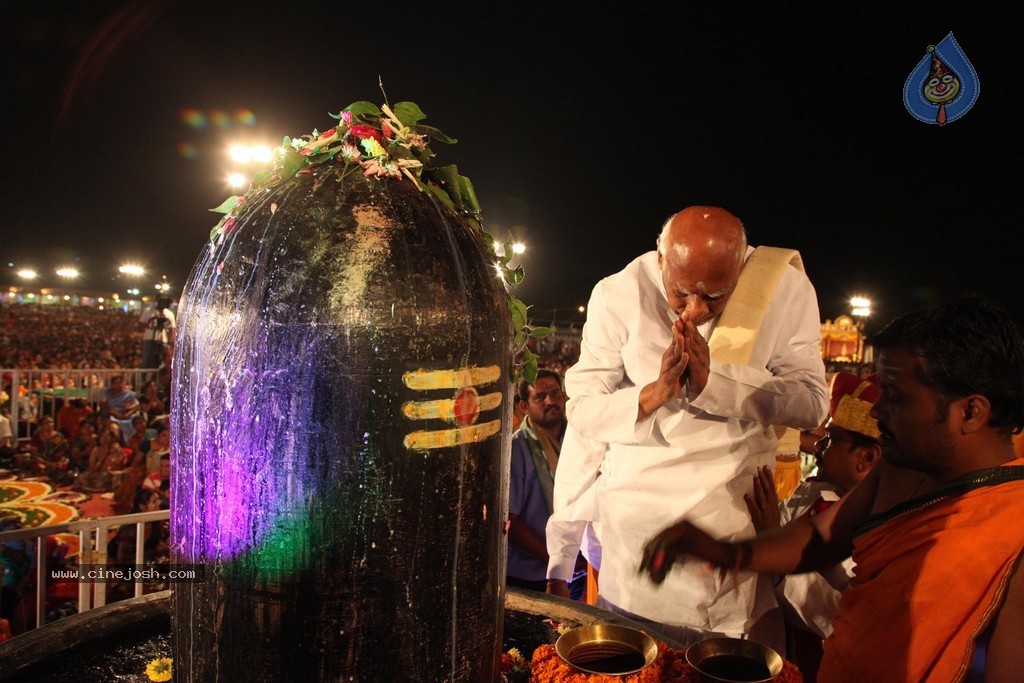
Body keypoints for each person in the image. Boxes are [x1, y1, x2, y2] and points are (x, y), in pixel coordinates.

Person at [640, 295, 1024, 682]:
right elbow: (822, 537)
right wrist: (723, 552)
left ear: (972, 412)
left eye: (896, 395)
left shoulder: (1014, 532)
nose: (878, 411)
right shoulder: (900, 468)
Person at [549, 205, 829, 646]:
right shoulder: (618, 294)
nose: (696, 310)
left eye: (716, 297)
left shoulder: (782, 286)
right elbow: (583, 412)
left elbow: (813, 404)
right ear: (660, 258)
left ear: (743, 265)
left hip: (731, 527)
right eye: (681, 293)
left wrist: (716, 384)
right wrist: (652, 394)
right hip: (635, 536)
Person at [745, 371, 882, 680]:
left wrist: (772, 545)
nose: (818, 447)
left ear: (866, 458)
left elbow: (837, 612)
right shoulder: (816, 491)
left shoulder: (867, 526)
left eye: (831, 440)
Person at [507, 370, 568, 592]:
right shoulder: (516, 449)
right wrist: (557, 565)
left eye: (555, 394)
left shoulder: (577, 438)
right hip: (530, 575)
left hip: (575, 568)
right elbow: (510, 521)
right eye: (540, 397)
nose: (551, 401)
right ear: (524, 406)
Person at [139, 296, 175, 377]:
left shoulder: (169, 313)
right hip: (149, 338)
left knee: (161, 360)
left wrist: (170, 342)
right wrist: (149, 324)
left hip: (163, 339)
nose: (162, 304)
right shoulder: (148, 311)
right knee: (147, 360)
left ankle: (158, 378)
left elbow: (172, 328)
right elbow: (141, 323)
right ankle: (144, 378)